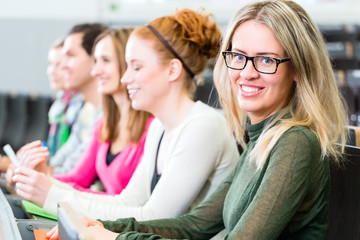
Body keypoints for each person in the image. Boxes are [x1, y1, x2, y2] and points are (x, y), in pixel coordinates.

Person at [46, 1, 348, 239]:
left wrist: (112, 238)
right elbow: (194, 225)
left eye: (267, 60)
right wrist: (95, 225)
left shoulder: (294, 142)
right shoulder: (262, 138)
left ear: (297, 70)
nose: (247, 72)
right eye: (239, 56)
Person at [16, 8, 239, 223]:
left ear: (172, 70)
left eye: (136, 67)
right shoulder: (159, 128)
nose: (125, 79)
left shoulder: (204, 125)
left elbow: (155, 218)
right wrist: (47, 188)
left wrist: (53, 196)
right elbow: (127, 202)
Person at [46, 38, 83, 157]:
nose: (51, 71)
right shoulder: (60, 102)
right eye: (50, 64)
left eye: (59, 65)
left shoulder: (82, 104)